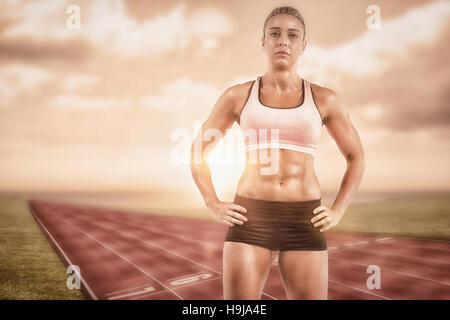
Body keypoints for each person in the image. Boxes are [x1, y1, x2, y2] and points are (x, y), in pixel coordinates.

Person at [190, 6, 365, 300]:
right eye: (275, 33)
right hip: (250, 218)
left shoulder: (325, 99)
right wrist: (212, 202)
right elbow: (198, 150)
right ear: (264, 42)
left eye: (292, 35)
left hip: (303, 219)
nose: (283, 41)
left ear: (302, 45)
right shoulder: (238, 95)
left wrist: (338, 210)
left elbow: (356, 157)